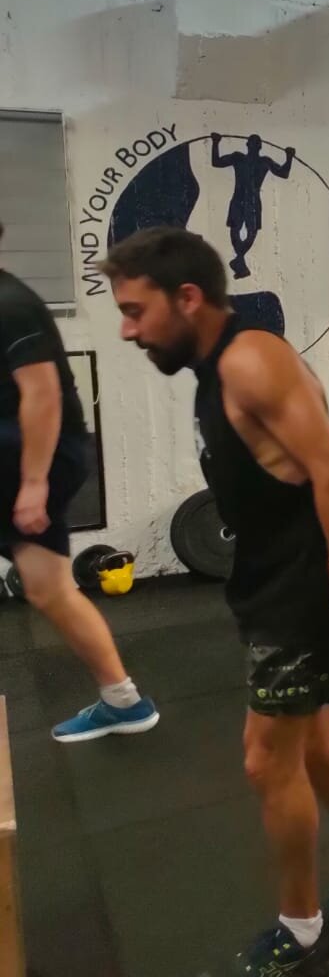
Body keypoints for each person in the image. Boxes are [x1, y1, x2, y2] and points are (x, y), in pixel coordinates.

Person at [102, 228, 329, 975]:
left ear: (187, 297)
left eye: (135, 311)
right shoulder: (221, 364)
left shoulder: (251, 361)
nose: (127, 331)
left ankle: (302, 934)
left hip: (298, 588)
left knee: (266, 761)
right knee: (314, 746)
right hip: (270, 578)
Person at [0, 221, 159, 744]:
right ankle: (124, 701)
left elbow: (42, 394)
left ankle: (124, 700)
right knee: (47, 589)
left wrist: (33, 483)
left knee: (49, 588)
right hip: (20, 453)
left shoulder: (11, 304)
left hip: (32, 457)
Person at [212, 133, 295, 279]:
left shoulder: (264, 161)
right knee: (236, 230)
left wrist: (289, 157)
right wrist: (215, 142)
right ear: (248, 145)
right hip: (239, 199)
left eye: (256, 144)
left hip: (252, 201)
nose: (253, 146)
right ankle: (240, 261)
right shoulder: (238, 158)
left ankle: (239, 259)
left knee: (251, 232)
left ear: (259, 146)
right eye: (252, 143)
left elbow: (283, 173)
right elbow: (216, 162)